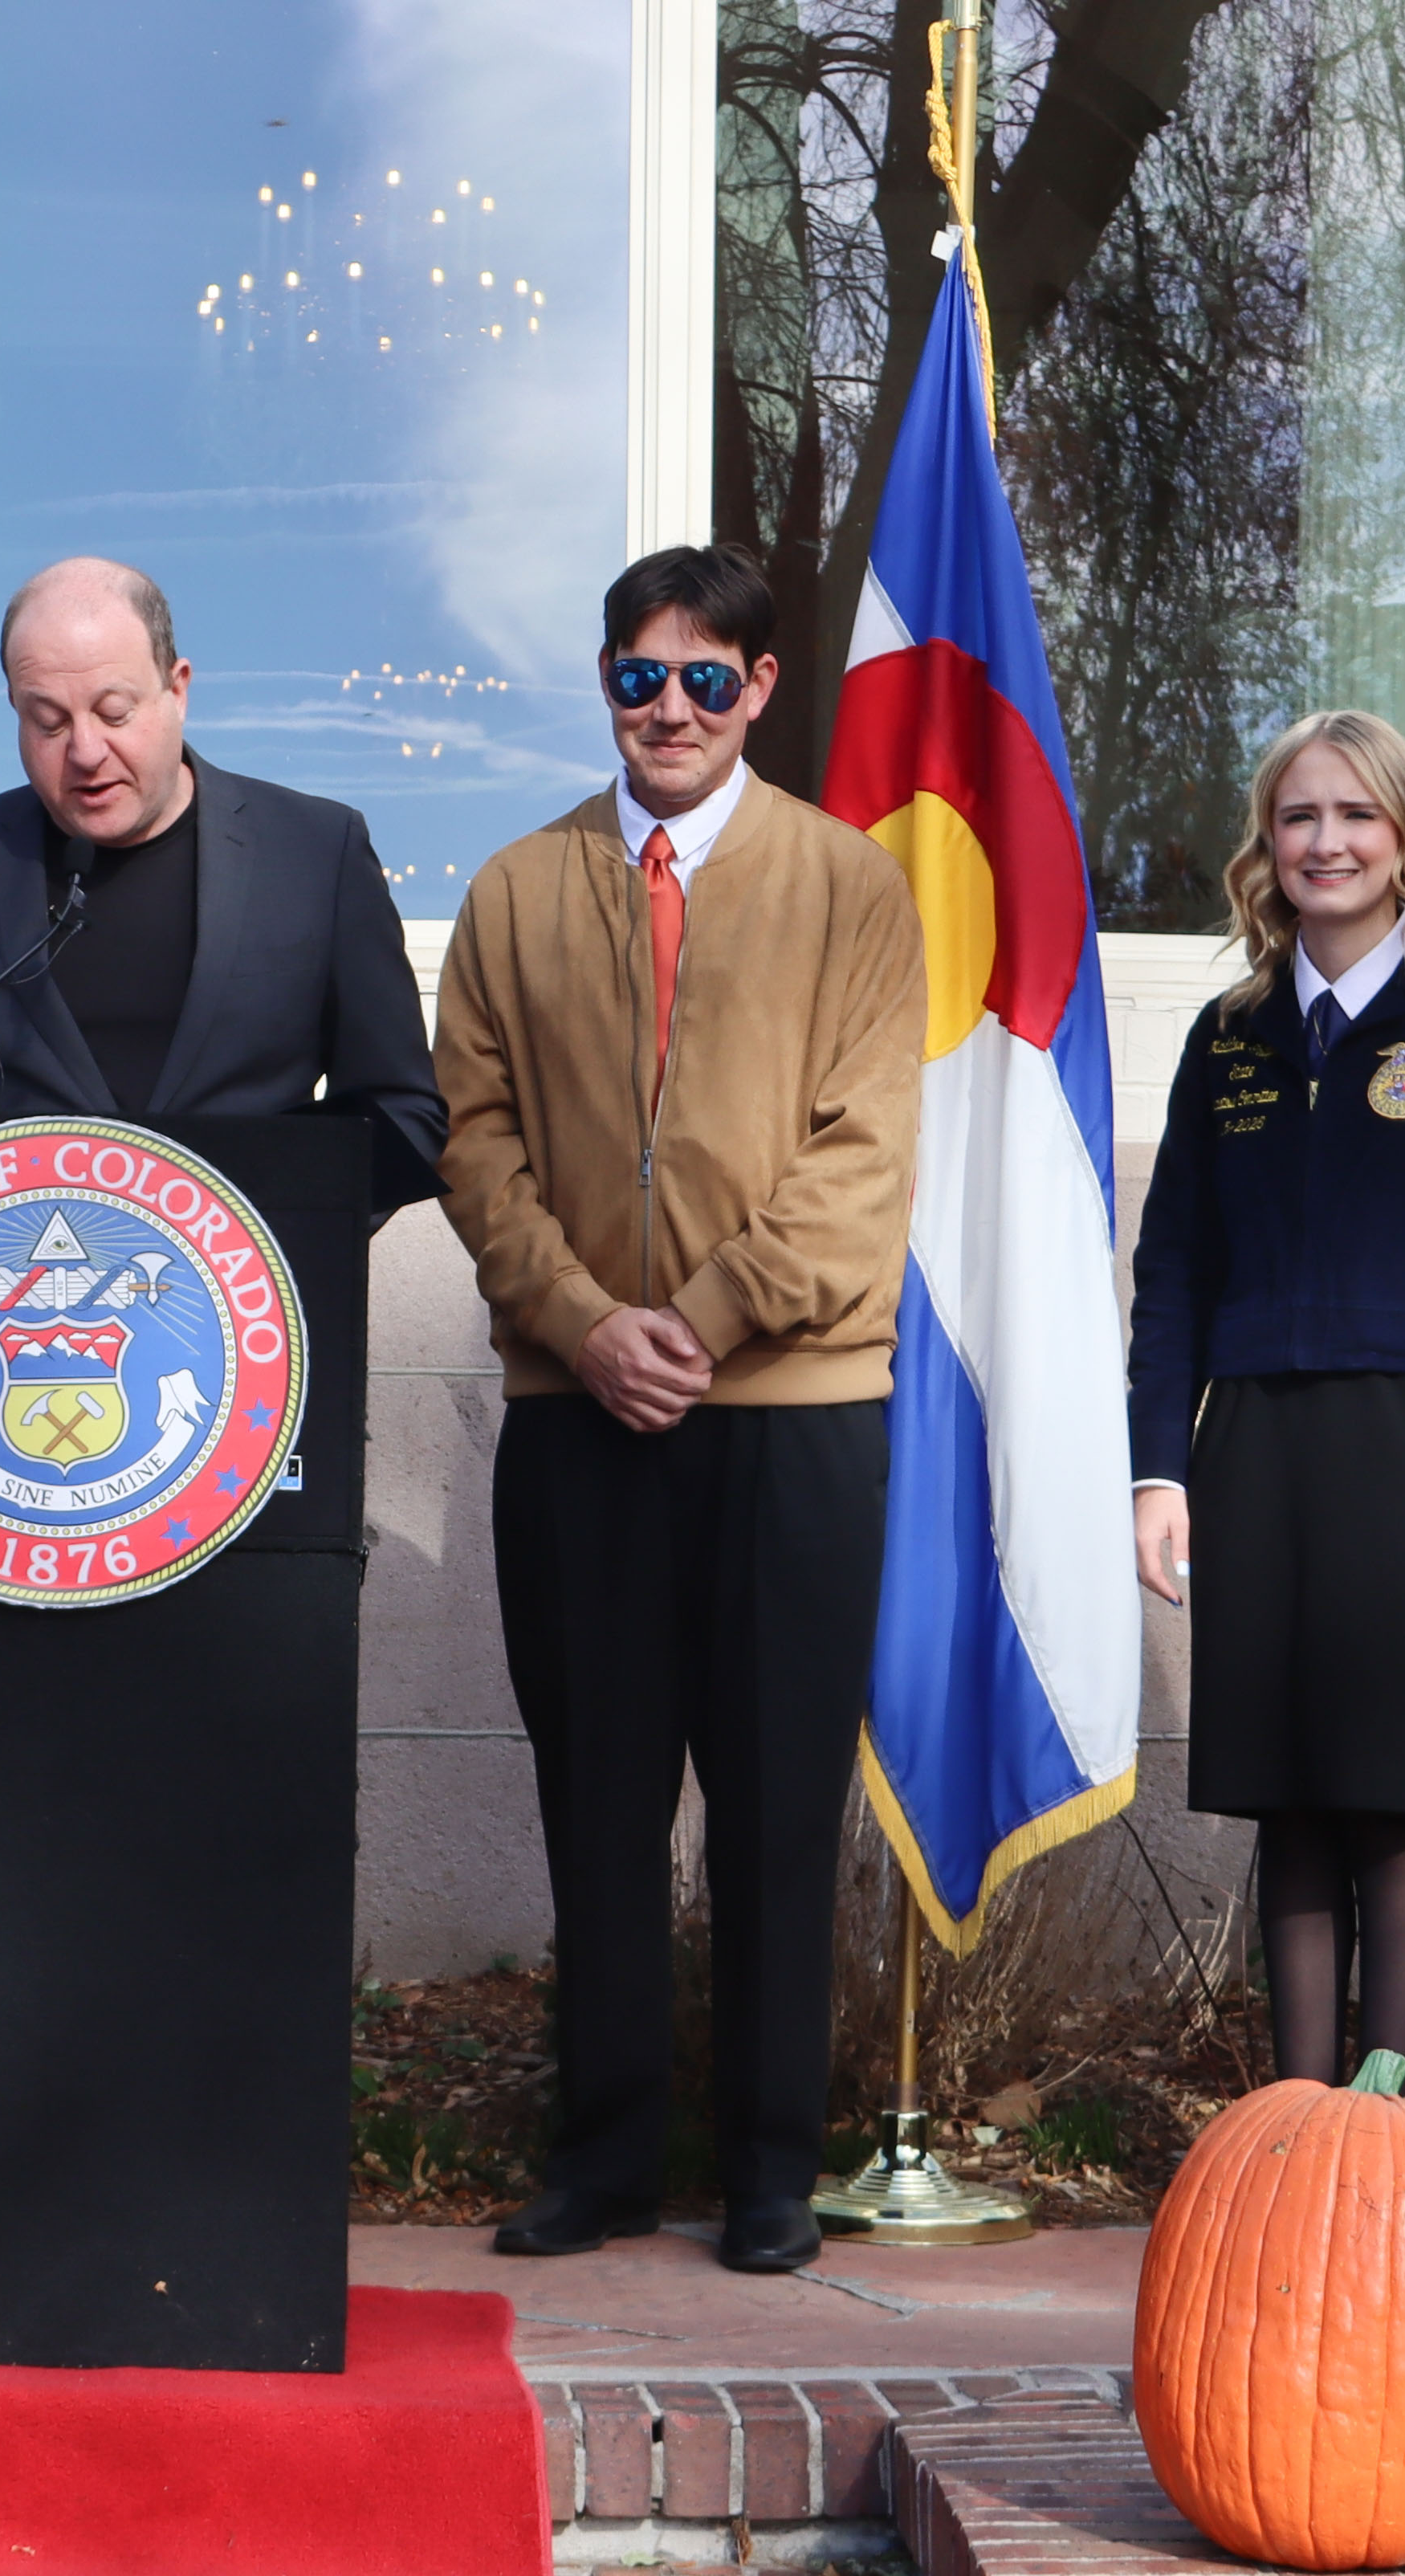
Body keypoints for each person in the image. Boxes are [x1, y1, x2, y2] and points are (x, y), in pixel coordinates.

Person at [433, 545, 926, 2276]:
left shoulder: (853, 890)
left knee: (782, 1802)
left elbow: (863, 1164)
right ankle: (607, 2157)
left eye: (705, 680)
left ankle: (774, 2168)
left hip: (792, 1417)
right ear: (606, 684)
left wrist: (698, 1324)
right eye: (639, 677)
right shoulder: (514, 890)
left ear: (763, 692)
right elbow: (474, 1146)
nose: (669, 709)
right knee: (601, 1794)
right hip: (582, 1417)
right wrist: (585, 1322)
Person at [1127, 710, 1405, 2088]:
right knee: (1289, 1805)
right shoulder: (1234, 1034)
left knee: (1387, 1803)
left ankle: (1387, 2118)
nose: (1327, 841)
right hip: (1256, 1450)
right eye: (1300, 816)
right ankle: (1298, 2119)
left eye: (1356, 816)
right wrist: (1160, 1469)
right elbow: (1175, 1273)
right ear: (1268, 843)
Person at [0, 556, 443, 1202]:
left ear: (178, 688)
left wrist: (277, 1244)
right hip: (4, 1291)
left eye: (113, 713)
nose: (84, 751)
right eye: (48, 721)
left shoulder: (316, 853)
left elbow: (402, 1115)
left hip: (249, 1290)